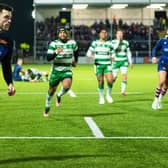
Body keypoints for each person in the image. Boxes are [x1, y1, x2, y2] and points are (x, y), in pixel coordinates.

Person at [44, 28, 78, 117]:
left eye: (64, 33)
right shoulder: (54, 44)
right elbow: (48, 58)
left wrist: (75, 61)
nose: (62, 34)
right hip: (56, 70)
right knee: (51, 90)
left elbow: (76, 51)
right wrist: (56, 52)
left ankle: (59, 95)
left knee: (67, 86)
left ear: (67, 34)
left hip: (67, 69)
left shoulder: (72, 43)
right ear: (58, 34)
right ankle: (47, 104)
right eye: (61, 33)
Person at [87, 28, 113, 104]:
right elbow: (88, 53)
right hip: (98, 65)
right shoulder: (95, 43)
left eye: (105, 33)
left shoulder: (110, 44)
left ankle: (108, 95)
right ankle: (101, 98)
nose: (103, 34)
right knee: (100, 81)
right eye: (102, 33)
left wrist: (113, 57)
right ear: (99, 34)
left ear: (106, 35)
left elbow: (113, 54)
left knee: (110, 80)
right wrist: (94, 57)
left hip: (107, 64)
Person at [111, 29, 133, 96]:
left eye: (121, 33)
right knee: (113, 78)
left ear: (122, 35)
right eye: (118, 34)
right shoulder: (113, 42)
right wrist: (118, 41)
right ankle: (109, 87)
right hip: (116, 61)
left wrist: (130, 62)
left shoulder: (126, 42)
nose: (120, 35)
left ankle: (123, 92)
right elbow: (113, 49)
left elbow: (128, 52)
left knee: (124, 75)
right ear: (116, 35)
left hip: (124, 61)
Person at [0, 3, 15, 96]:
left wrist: (10, 83)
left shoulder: (8, 41)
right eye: (6, 17)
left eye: (10, 18)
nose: (9, 21)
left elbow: (6, 64)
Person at [151, 30, 168, 110]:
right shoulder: (162, 41)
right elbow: (155, 49)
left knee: (166, 86)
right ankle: (155, 100)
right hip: (163, 63)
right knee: (162, 81)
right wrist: (154, 57)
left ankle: (160, 100)